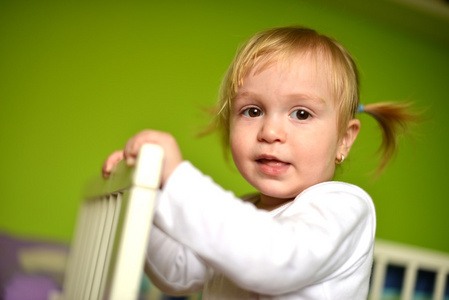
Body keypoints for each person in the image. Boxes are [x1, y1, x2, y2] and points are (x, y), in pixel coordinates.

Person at [103, 26, 417, 299]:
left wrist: (178, 179)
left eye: (301, 114)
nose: (270, 132)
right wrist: (145, 195)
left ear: (344, 140)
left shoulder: (344, 208)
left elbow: (271, 259)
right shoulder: (243, 216)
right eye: (253, 111)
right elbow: (177, 273)